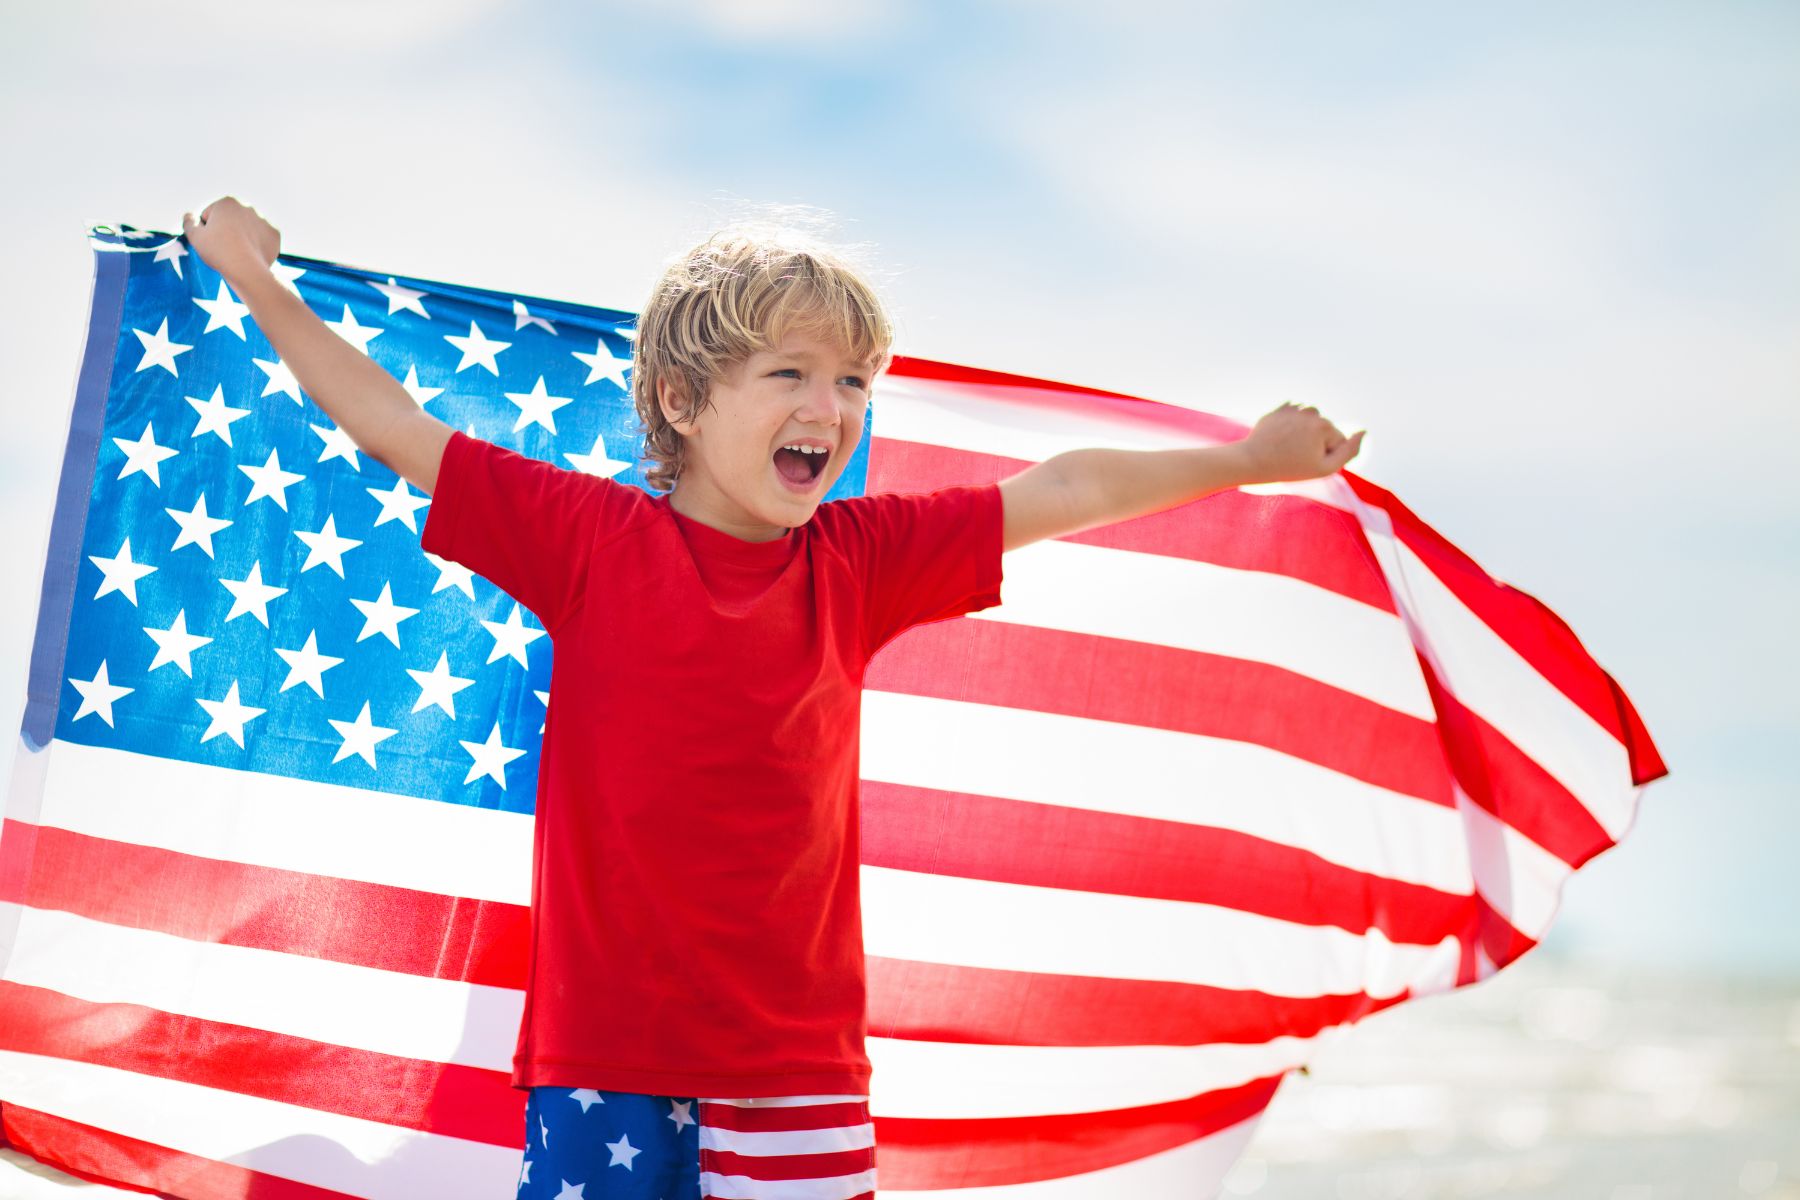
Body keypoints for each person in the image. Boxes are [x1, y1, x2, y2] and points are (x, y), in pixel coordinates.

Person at [182, 195, 1364, 1199]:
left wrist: (1246, 461)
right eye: (789, 372)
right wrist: (254, 280)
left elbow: (1060, 484)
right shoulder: (587, 541)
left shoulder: (863, 561)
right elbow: (393, 424)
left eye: (852, 380)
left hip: (800, 1074)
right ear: (686, 406)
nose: (830, 406)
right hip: (606, 1064)